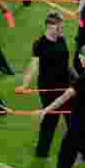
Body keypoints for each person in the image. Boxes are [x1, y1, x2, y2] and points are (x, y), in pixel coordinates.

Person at [20, 12, 75, 158]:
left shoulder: (61, 40)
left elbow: (66, 63)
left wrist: (76, 79)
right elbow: (33, 65)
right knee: (50, 120)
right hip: (48, 88)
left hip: (66, 85)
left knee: (73, 119)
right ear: (49, 26)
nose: (61, 31)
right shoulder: (39, 44)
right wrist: (24, 85)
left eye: (62, 28)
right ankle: (42, 152)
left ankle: (82, 150)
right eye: (58, 28)